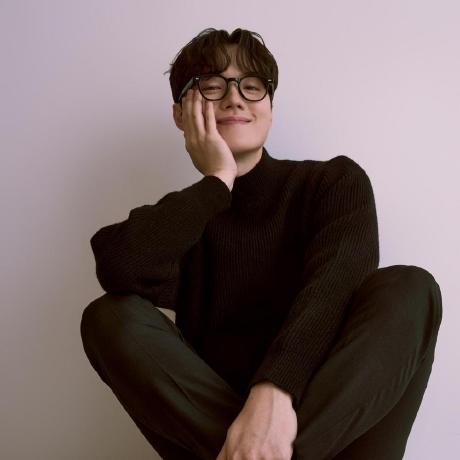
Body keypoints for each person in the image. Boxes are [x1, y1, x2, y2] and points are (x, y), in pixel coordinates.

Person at [80, 28, 443, 460]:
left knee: (410, 287)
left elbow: (335, 290)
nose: (235, 99)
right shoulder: (187, 221)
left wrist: (275, 387)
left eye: (252, 86)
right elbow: (118, 266)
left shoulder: (331, 183)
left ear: (270, 107)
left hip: (339, 442)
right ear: (180, 113)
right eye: (212, 85)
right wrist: (217, 182)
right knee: (108, 316)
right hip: (222, 440)